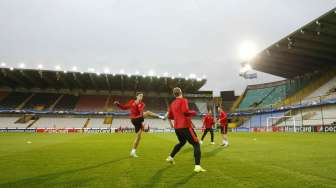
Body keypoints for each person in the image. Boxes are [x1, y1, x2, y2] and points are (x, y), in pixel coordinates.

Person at [166, 87, 206, 173]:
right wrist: (194, 112)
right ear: (181, 92)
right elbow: (185, 111)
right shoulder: (183, 100)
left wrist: (177, 118)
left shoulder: (172, 103)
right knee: (196, 144)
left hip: (177, 128)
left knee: (182, 142)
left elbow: (170, 116)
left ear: (174, 94)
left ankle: (170, 157)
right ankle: (197, 166)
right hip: (185, 126)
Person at [114, 92, 165, 157]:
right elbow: (124, 107)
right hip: (134, 119)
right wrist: (118, 104)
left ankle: (133, 151)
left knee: (138, 137)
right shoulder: (132, 101)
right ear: (137, 96)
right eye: (140, 96)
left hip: (138, 119)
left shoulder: (142, 104)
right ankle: (161, 117)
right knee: (148, 112)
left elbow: (140, 110)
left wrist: (141, 117)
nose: (141, 97)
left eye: (142, 96)